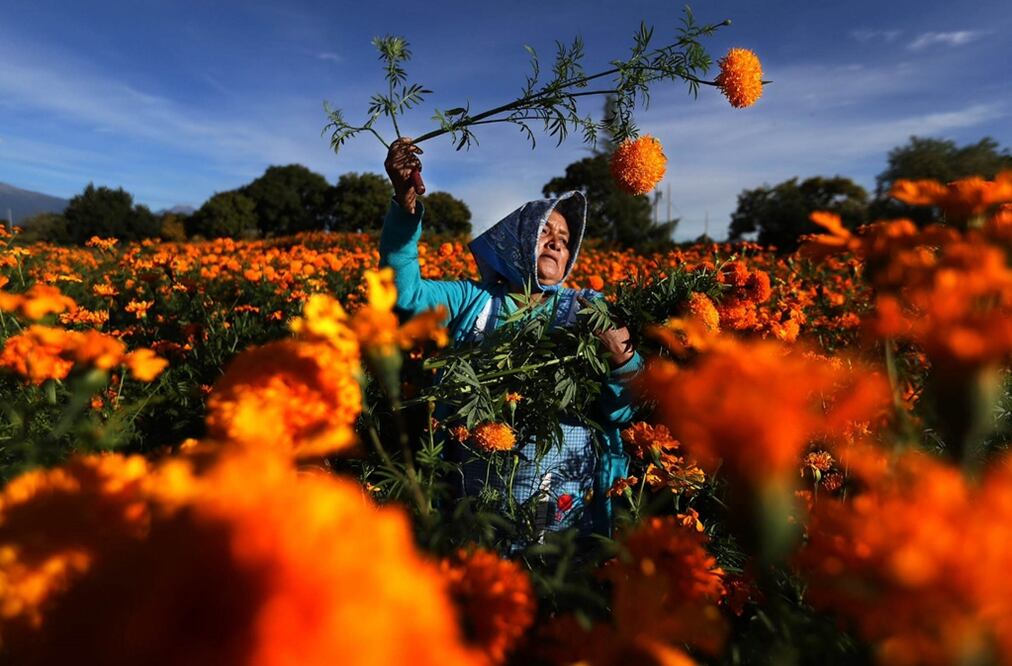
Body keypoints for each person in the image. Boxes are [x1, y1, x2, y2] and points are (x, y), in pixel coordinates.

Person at [379, 137, 642, 541]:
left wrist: (622, 362)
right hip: (478, 496)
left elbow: (619, 409)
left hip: (563, 506)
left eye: (566, 239)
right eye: (546, 232)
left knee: (546, 577)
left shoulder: (587, 308)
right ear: (518, 236)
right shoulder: (473, 301)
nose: (557, 241)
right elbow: (404, 296)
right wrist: (405, 206)